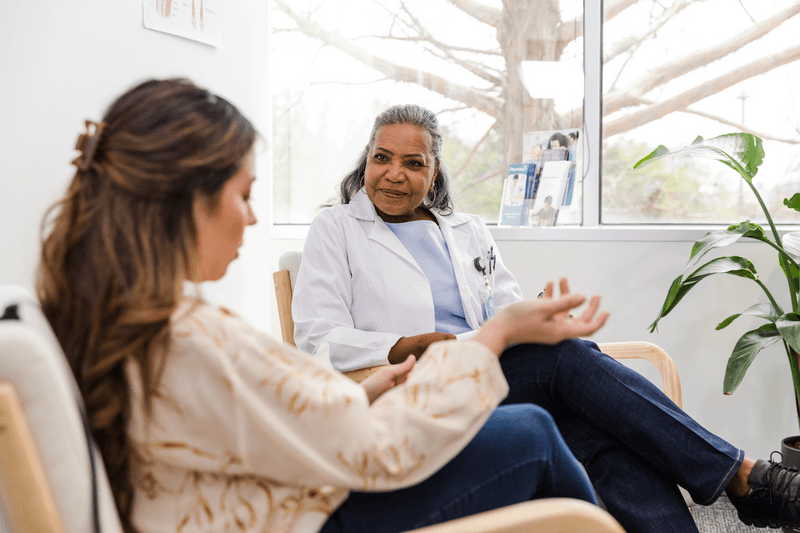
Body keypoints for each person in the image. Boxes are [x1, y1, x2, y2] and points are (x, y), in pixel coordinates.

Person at [36, 79, 612, 533]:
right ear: (182, 203)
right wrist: (496, 334)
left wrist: (363, 391)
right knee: (536, 428)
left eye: (414, 163)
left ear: (433, 173)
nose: (254, 216)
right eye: (243, 194)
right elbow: (373, 447)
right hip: (307, 510)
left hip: (295, 476)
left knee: (571, 401)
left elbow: (250, 422)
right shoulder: (190, 336)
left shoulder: (127, 319)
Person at [292, 103, 800, 533]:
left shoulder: (466, 229)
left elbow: (505, 308)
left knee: (594, 422)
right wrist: (403, 345)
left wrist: (539, 316)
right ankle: (740, 476)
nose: (394, 174)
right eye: (382, 158)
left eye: (413, 162)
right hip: (412, 386)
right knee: (560, 364)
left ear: (434, 171)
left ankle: (738, 479)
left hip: (489, 373)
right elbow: (317, 336)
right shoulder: (336, 229)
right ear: (367, 162)